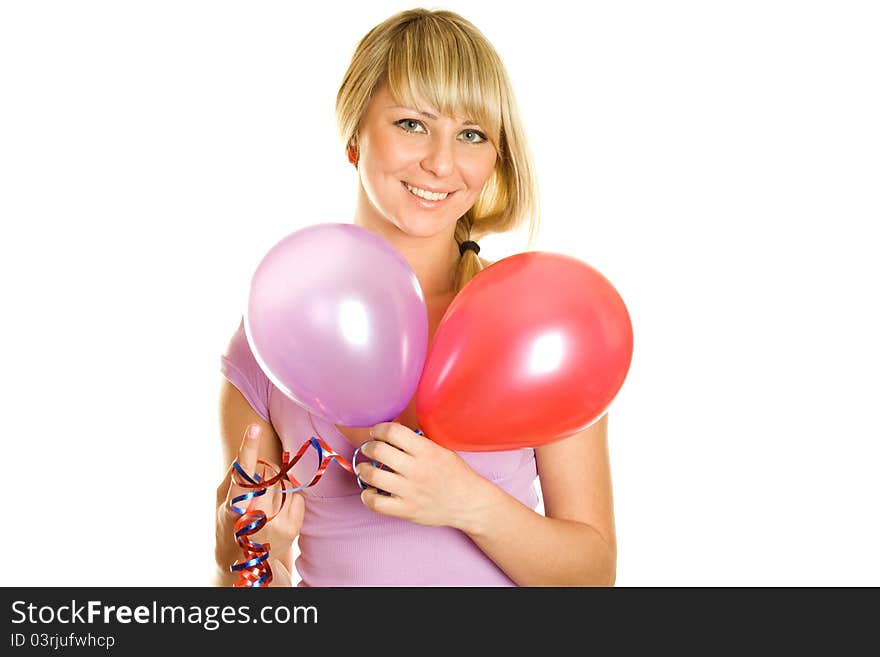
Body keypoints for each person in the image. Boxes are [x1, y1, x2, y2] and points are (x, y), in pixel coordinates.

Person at [214, 7, 616, 587]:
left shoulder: (539, 333)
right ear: (354, 136)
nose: (441, 162)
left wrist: (464, 501)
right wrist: (251, 554)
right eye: (411, 123)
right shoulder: (272, 343)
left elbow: (592, 577)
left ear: (494, 158)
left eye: (471, 134)